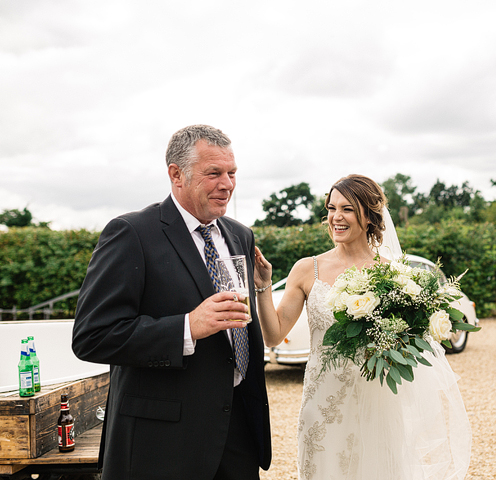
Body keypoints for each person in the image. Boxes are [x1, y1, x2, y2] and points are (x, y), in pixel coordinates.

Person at [72, 125, 271, 480]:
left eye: (232, 173)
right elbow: (92, 335)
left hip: (237, 431)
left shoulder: (240, 235)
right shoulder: (131, 233)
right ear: (176, 174)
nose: (227, 184)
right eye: (214, 173)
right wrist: (187, 327)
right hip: (162, 443)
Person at [253, 174, 471, 480]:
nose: (336, 217)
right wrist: (262, 287)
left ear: (369, 216)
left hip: (377, 403)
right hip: (322, 404)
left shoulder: (393, 275)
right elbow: (273, 335)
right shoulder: (307, 269)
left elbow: (407, 345)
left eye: (348, 209)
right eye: (331, 208)